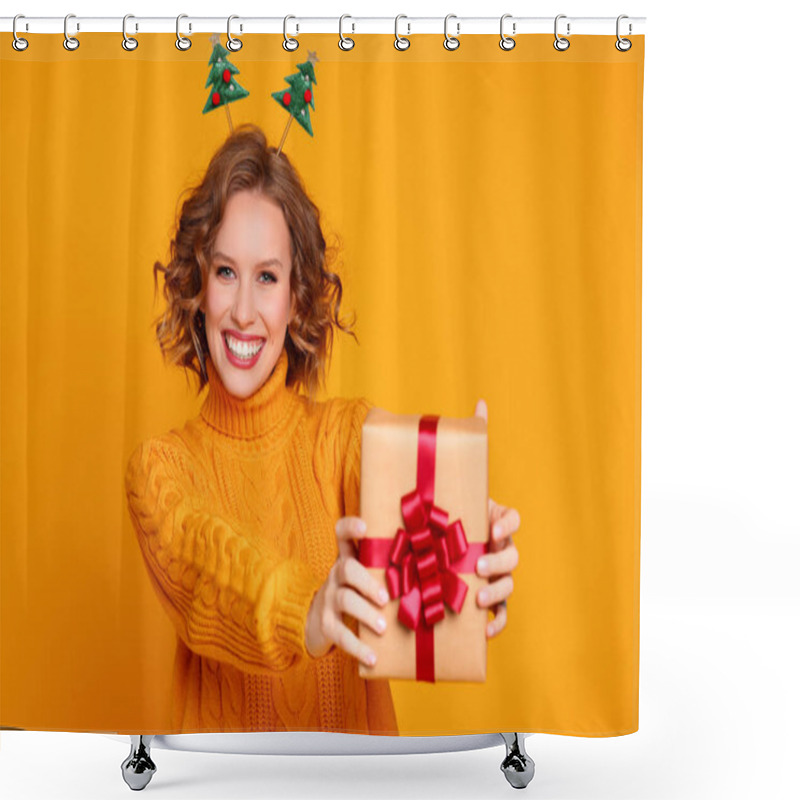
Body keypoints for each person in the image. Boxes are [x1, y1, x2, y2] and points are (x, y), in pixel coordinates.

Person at [124, 124, 521, 735]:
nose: (245, 312)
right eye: (226, 272)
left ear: (298, 296)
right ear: (197, 288)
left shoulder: (344, 439)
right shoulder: (160, 471)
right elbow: (209, 565)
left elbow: (402, 478)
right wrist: (306, 610)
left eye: (268, 277)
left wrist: (467, 536)